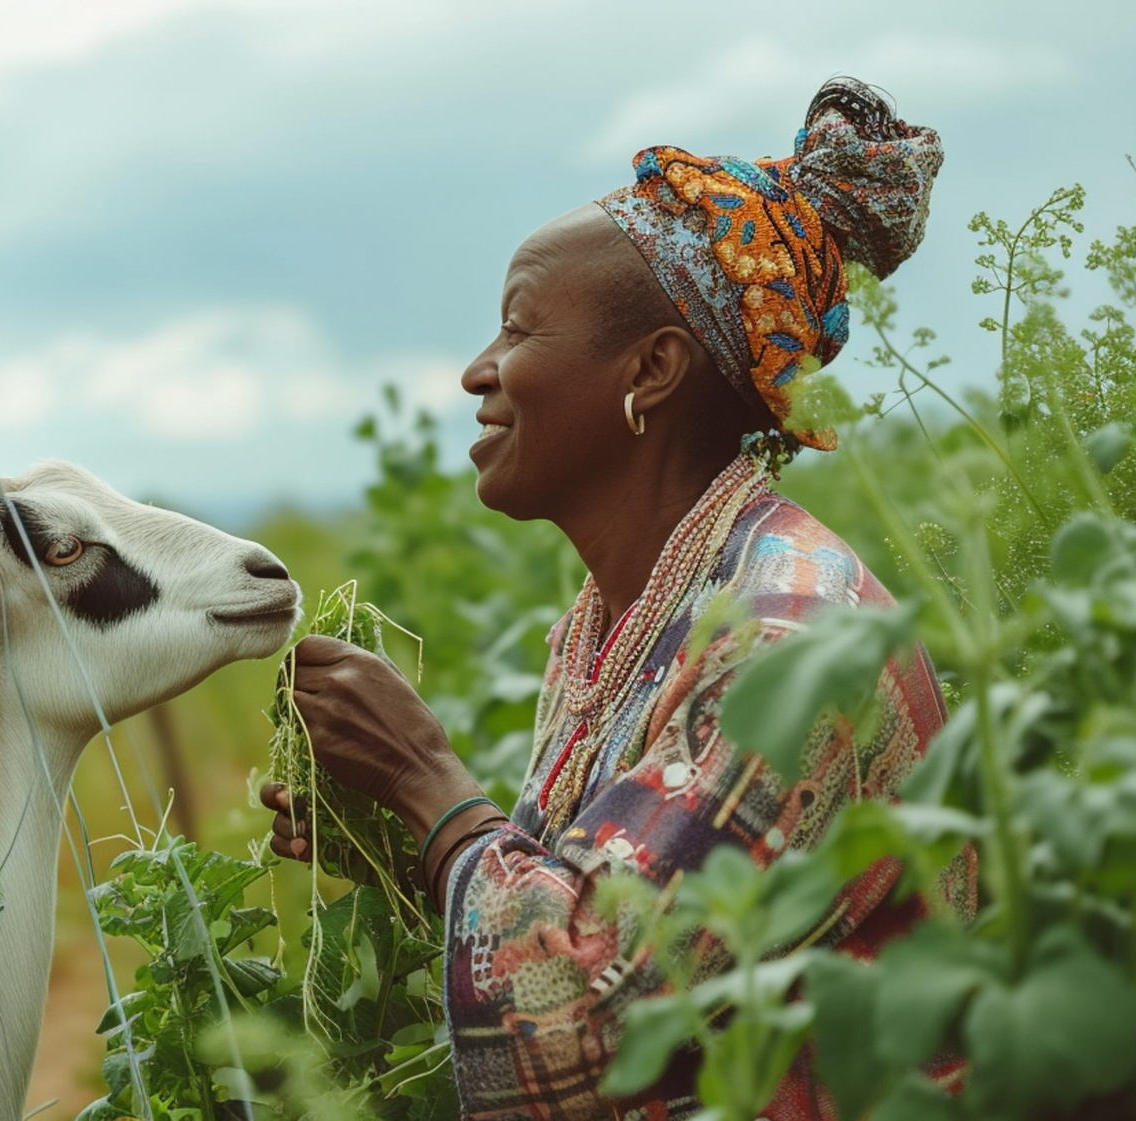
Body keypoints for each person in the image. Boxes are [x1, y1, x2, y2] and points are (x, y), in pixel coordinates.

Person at [260, 79, 976, 1120]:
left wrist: (427, 785)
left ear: (650, 369)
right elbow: (658, 947)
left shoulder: (783, 638)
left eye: (514, 330)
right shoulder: (614, 621)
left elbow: (595, 1021)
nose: (476, 371)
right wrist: (405, 852)